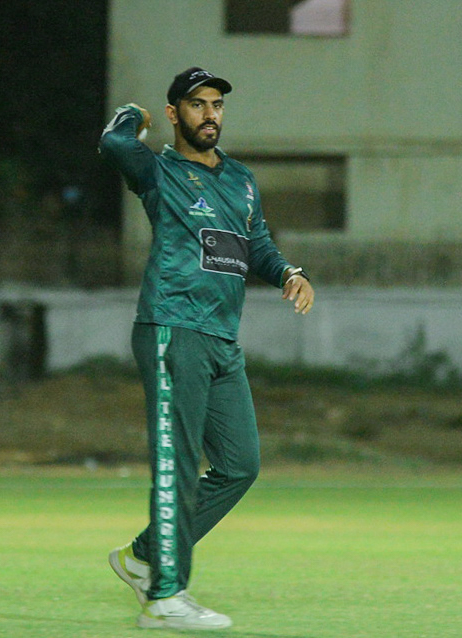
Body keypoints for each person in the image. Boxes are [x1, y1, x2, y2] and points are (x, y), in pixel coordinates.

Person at [99, 66, 315, 631]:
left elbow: (256, 244)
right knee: (179, 465)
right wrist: (134, 115)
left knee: (240, 464)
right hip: (173, 327)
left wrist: (288, 272)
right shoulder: (158, 171)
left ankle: (144, 557)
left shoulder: (240, 179)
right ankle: (165, 597)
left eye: (217, 104)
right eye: (197, 104)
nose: (210, 114)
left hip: (221, 336)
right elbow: (114, 143)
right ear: (175, 115)